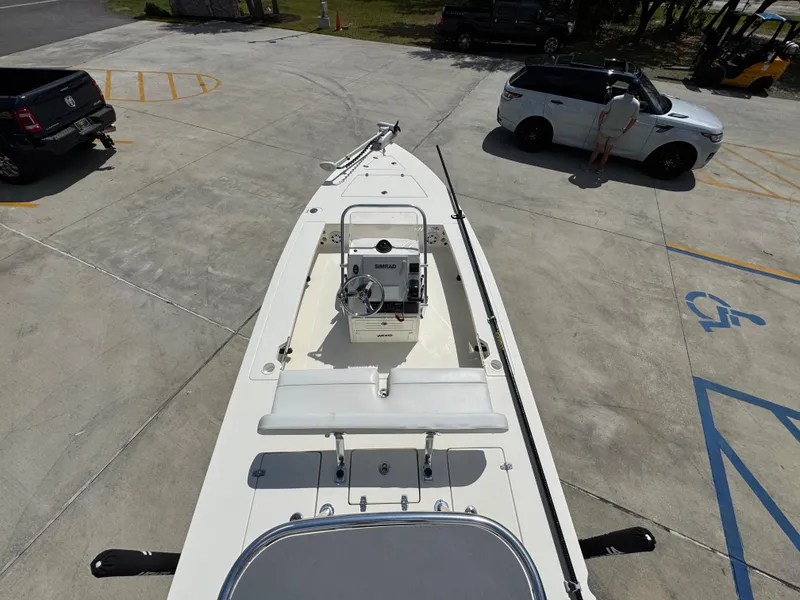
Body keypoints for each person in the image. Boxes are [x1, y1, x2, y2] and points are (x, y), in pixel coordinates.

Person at [584, 80, 640, 173]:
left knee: (598, 149)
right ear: (636, 91)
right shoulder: (636, 104)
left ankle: (588, 166)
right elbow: (634, 119)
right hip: (617, 131)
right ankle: (600, 168)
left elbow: (603, 112)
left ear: (627, 88)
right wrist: (625, 129)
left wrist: (600, 124)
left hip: (605, 128)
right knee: (607, 151)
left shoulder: (616, 99)